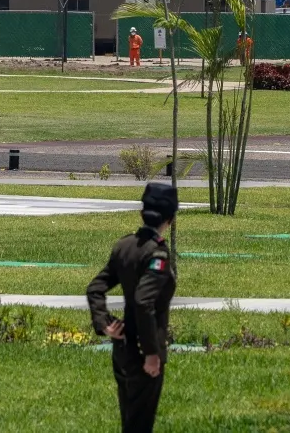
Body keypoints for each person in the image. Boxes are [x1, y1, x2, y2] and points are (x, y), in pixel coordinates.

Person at [87, 182, 178, 432]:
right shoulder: (156, 256)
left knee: (130, 420)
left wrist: (105, 323)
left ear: (142, 213)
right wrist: (151, 353)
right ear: (170, 219)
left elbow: (95, 288)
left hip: (122, 348)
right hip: (143, 353)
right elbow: (143, 301)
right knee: (140, 424)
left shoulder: (124, 247)